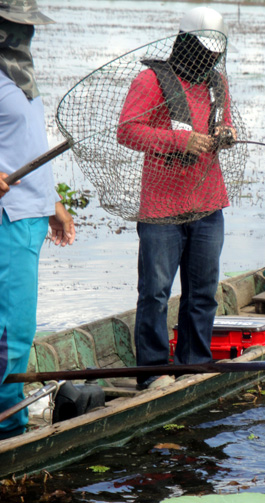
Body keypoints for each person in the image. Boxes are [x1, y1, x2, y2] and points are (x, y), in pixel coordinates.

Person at [117, 7, 235, 390]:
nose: (210, 58)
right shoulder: (151, 80)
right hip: (161, 210)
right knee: (154, 292)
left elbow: (225, 121)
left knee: (202, 293)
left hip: (208, 204)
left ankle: (193, 364)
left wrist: (226, 133)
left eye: (214, 52)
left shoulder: (217, 82)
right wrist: (179, 139)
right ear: (184, 43)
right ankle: (151, 372)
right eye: (203, 50)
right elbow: (128, 132)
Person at [0, 0, 76, 440]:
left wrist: (56, 206)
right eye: (15, 26)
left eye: (28, 27)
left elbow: (28, 147)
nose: (25, 35)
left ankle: (10, 423)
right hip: (7, 220)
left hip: (30, 216)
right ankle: (10, 429)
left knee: (14, 329)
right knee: (11, 333)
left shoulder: (23, 79)